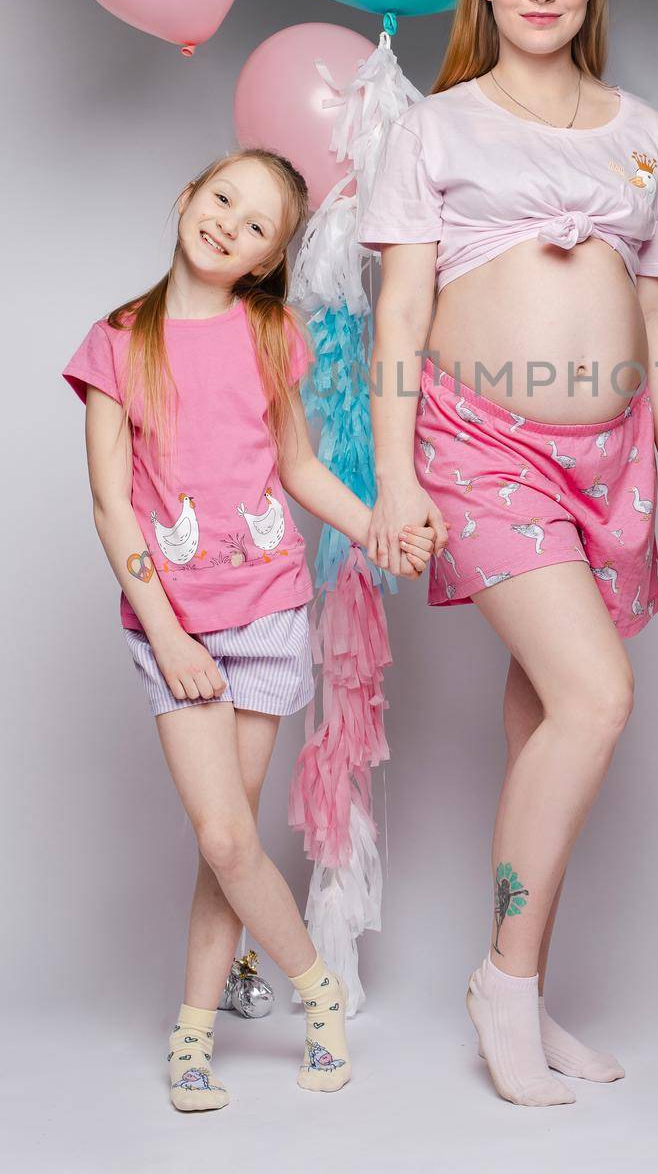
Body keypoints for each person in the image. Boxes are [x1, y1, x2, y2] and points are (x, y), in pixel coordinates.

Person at [355, 0, 658, 1105]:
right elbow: (400, 311)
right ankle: (501, 989)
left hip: (611, 455)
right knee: (595, 696)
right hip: (477, 443)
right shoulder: (438, 130)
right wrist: (395, 472)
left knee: (539, 730)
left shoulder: (643, 129)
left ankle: (526, 983)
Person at [62, 148, 434, 1111]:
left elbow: (302, 470)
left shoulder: (271, 334)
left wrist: (376, 528)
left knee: (225, 847)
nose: (229, 220)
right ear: (187, 196)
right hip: (173, 627)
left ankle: (192, 1036)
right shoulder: (116, 341)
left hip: (268, 615)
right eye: (222, 196)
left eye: (257, 223)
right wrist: (169, 634)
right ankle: (317, 994)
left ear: (267, 261)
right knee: (228, 836)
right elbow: (112, 510)